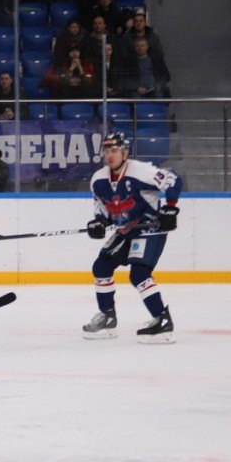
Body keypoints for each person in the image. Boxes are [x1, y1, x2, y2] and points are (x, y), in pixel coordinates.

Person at [82, 132, 182, 343]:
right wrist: (99, 222)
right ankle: (107, 317)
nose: (110, 155)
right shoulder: (98, 179)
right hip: (125, 230)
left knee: (139, 274)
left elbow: (174, 180)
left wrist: (170, 208)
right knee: (101, 267)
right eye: (107, 151)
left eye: (114, 151)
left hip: (149, 228)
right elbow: (102, 208)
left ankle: (162, 320)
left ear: (125, 153)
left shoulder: (141, 171)